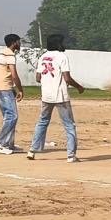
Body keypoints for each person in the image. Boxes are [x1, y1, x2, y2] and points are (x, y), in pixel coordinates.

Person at [26, 34, 84, 163]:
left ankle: (32, 150)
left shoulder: (43, 56)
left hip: (46, 95)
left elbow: (37, 78)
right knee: (69, 125)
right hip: (60, 96)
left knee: (42, 121)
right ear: (58, 44)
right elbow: (67, 78)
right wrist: (79, 87)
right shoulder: (62, 56)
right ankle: (71, 155)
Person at [0, 34, 24, 154]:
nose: (20, 44)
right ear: (14, 43)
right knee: (12, 116)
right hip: (4, 88)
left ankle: (9, 144)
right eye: (19, 42)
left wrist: (13, 89)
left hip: (1, 87)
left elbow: (4, 73)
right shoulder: (9, 54)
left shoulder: (2, 52)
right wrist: (20, 90)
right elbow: (14, 74)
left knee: (8, 116)